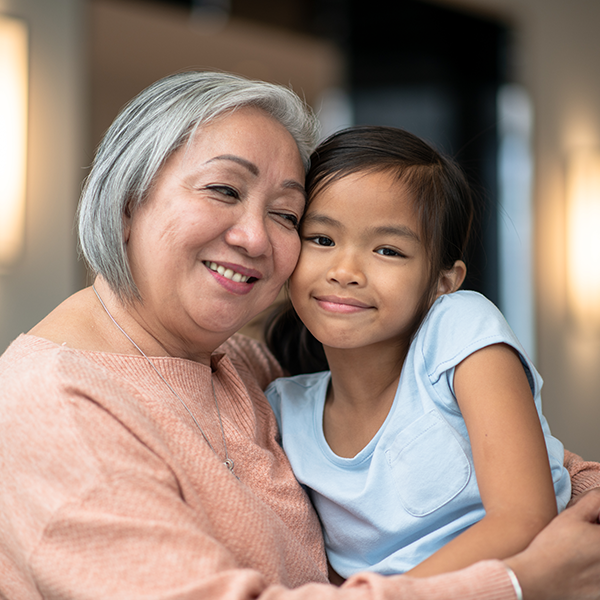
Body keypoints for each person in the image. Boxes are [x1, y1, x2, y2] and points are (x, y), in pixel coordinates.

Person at [0, 71, 599, 600]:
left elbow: (503, 463)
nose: (256, 238)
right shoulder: (56, 412)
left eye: (286, 215)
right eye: (224, 190)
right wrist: (520, 581)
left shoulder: (245, 364)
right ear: (128, 199)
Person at [264, 125, 577, 581]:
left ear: (443, 282)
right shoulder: (283, 408)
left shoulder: (458, 332)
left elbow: (525, 519)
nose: (345, 271)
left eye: (388, 250)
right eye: (322, 239)